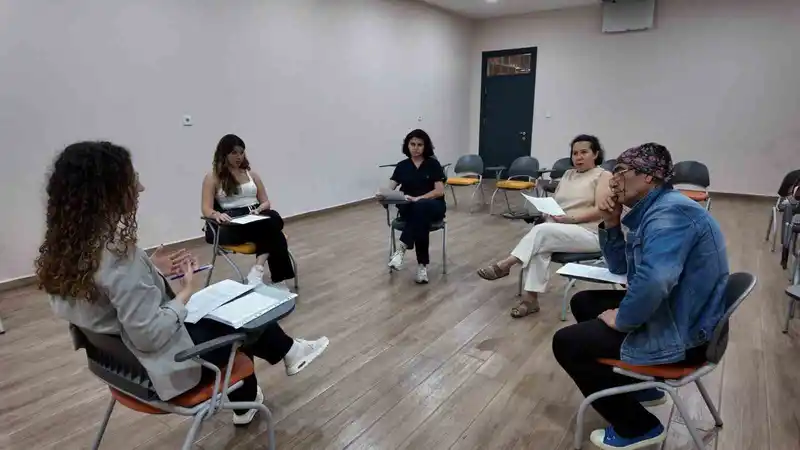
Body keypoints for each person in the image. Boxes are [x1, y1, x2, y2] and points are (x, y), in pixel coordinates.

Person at [37, 141, 329, 426]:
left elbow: (107, 301)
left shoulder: (65, 251)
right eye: (133, 179)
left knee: (224, 313)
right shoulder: (119, 257)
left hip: (118, 367)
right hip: (163, 367)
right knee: (243, 321)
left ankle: (253, 392)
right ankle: (284, 358)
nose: (140, 188)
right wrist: (186, 293)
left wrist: (150, 268)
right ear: (108, 192)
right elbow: (149, 336)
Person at [552, 143, 729, 449]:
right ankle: (640, 386)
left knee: (566, 343)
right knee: (584, 302)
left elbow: (656, 280)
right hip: (679, 313)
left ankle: (638, 427)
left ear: (648, 176)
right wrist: (611, 222)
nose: (613, 180)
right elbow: (621, 268)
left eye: (620, 171)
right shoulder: (653, 210)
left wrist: (622, 319)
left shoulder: (669, 214)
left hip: (687, 337)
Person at [476, 134, 612, 318]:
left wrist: (570, 219)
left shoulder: (603, 176)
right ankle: (530, 300)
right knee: (540, 246)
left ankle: (506, 264)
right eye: (575, 153)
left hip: (591, 233)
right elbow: (559, 202)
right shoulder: (568, 174)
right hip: (561, 229)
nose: (578, 157)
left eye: (584, 152)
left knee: (542, 232)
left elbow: (602, 210)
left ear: (595, 154)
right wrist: (548, 211)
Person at [201, 134, 294, 288]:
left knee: (273, 217)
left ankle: (257, 269)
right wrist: (216, 214)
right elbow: (206, 208)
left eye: (241, 152)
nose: (239, 157)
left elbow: (266, 202)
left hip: (256, 215)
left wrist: (260, 209)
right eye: (234, 153)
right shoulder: (213, 177)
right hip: (234, 220)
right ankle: (278, 280)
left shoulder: (252, 175)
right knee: (275, 233)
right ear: (224, 154)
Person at [378, 129, 446, 284]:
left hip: (433, 205)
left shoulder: (433, 164)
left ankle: (401, 249)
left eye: (420, 145)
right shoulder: (402, 166)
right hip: (409, 207)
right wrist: (383, 195)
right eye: (412, 144)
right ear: (407, 145)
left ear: (425, 146)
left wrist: (419, 198)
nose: (416, 148)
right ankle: (422, 267)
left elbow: (439, 191)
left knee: (421, 207)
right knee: (419, 217)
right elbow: (390, 189)